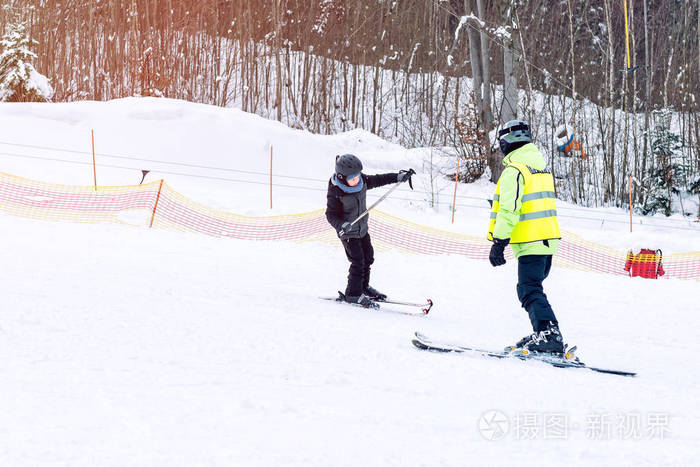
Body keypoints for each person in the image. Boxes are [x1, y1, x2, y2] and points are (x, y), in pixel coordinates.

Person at [487, 120, 564, 355]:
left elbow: (509, 210)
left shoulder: (515, 170)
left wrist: (499, 243)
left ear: (508, 142)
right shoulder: (539, 166)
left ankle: (550, 334)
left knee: (529, 289)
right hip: (547, 239)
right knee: (532, 288)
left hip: (531, 240)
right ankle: (542, 331)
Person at [325, 154, 414, 307]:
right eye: (352, 178)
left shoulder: (361, 181)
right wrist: (341, 224)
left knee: (368, 257)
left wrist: (397, 177)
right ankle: (353, 293)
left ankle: (363, 287)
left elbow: (379, 179)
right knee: (358, 261)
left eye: (358, 176)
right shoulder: (336, 191)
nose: (357, 180)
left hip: (362, 229)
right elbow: (330, 214)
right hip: (348, 232)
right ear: (342, 176)